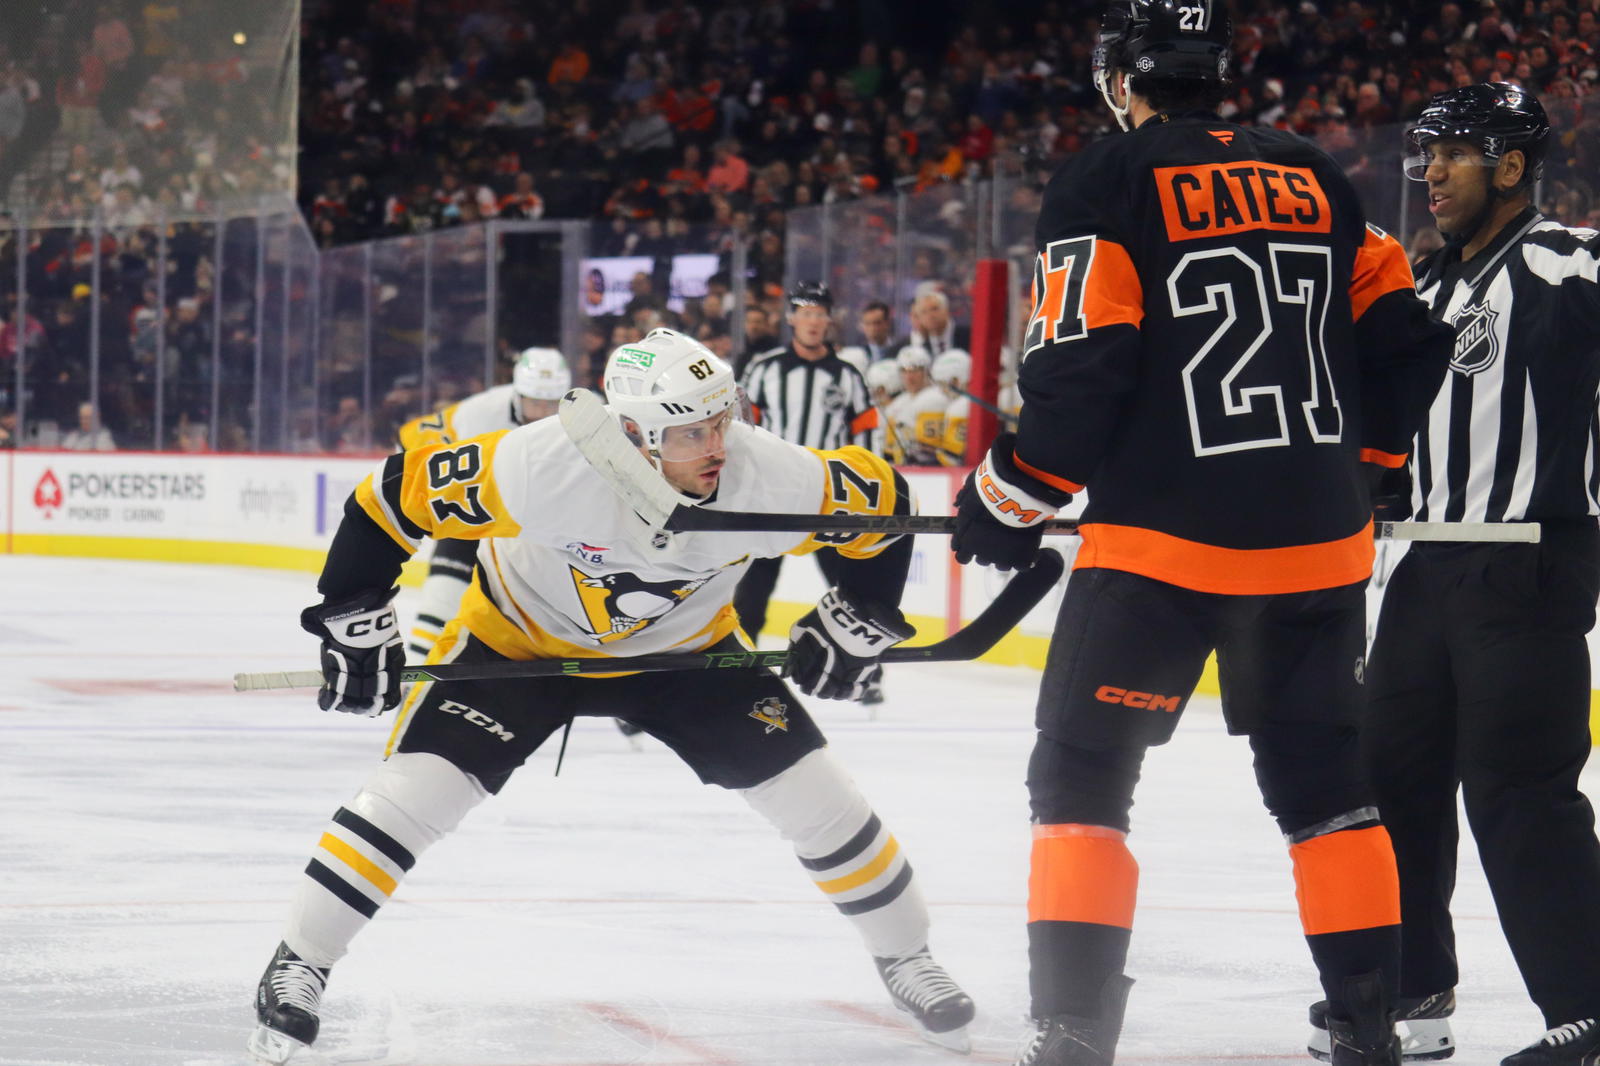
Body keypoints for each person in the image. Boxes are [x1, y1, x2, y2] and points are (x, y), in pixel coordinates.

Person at [947, 3, 1454, 1064]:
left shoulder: (1106, 177)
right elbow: (1406, 338)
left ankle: (1073, 1032)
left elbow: (1085, 365)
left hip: (1161, 549)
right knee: (1327, 793)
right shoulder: (1314, 172)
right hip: (1318, 550)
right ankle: (1368, 1030)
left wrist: (1013, 492)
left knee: (1082, 782)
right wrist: (1371, 469)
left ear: (1124, 79)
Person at [248, 328, 974, 1064]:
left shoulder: (770, 472)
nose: (718, 444)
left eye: (723, 418)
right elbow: (387, 501)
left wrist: (861, 617)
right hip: (518, 644)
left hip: (686, 657)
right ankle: (301, 959)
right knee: (413, 795)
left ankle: (906, 955)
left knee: (819, 800)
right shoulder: (538, 464)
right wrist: (354, 620)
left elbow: (886, 509)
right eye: (692, 431)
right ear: (634, 434)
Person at [1334, 82, 1600, 1066]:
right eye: (1425, 153)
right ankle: (1414, 989)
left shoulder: (1568, 261)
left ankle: (1587, 1006)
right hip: (1423, 567)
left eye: (1453, 152)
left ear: (1512, 164)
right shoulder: (1428, 289)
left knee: (1518, 790)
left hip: (1525, 562)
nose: (1431, 172)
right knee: (1388, 781)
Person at [734, 282, 886, 704]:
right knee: (751, 591)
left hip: (830, 498)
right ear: (790, 318)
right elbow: (741, 430)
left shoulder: (848, 377)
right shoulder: (764, 370)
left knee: (851, 588)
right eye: (805, 312)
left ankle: (864, 672)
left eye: (820, 313)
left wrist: (869, 493)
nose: (814, 321)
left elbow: (867, 436)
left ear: (829, 320)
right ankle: (739, 670)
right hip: (772, 495)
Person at [395, 346, 572, 661]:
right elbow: (411, 440)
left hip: (550, 525)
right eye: (535, 403)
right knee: (448, 576)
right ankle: (421, 664)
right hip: (485, 513)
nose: (544, 413)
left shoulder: (591, 414)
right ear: (517, 396)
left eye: (551, 404)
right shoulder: (480, 413)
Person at [884, 347, 947, 465]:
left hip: (930, 467)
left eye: (915, 370)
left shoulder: (936, 398)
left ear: (926, 371)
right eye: (904, 370)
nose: (909, 377)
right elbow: (889, 449)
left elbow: (930, 449)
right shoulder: (896, 404)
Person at [930, 348, 973, 466]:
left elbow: (953, 457)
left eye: (942, 384)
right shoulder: (967, 402)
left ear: (955, 381)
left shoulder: (959, 408)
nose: (941, 390)